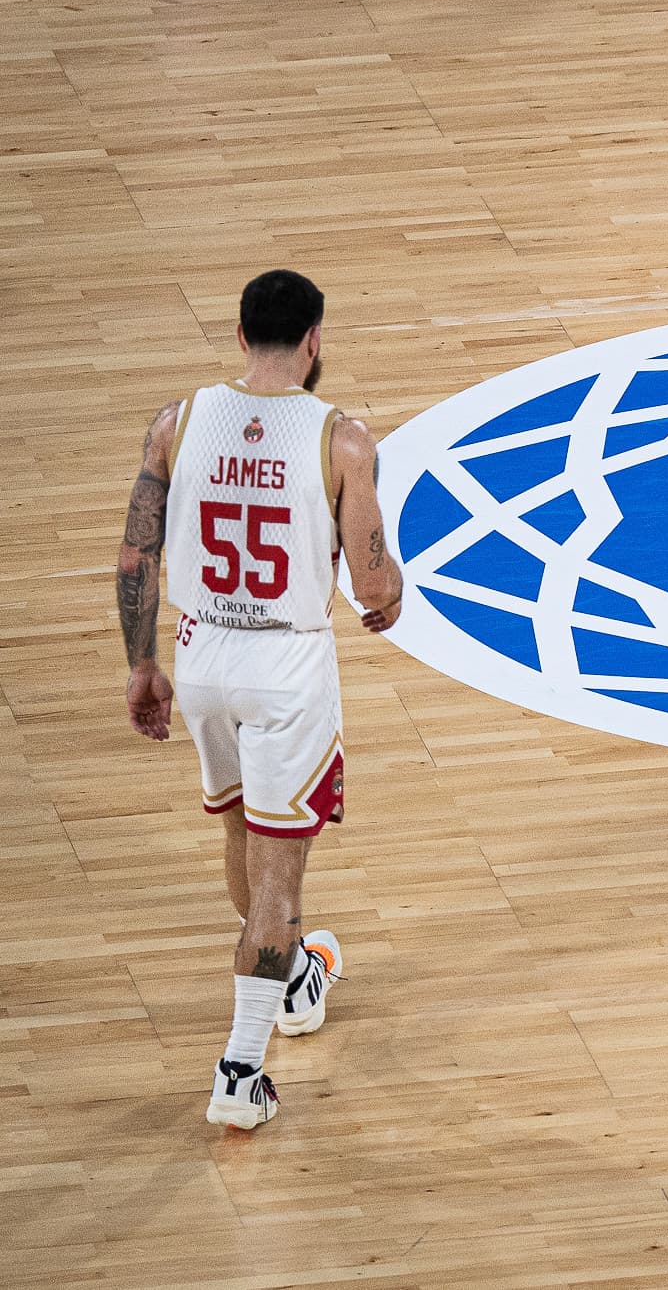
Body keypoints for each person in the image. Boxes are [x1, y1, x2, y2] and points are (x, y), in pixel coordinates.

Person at [116, 269, 404, 1129]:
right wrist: (391, 593)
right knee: (280, 877)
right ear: (315, 340)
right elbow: (372, 584)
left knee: (245, 833)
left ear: (241, 337)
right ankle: (240, 1071)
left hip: (202, 653)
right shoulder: (343, 441)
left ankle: (297, 977)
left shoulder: (177, 422)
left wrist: (142, 666)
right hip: (286, 668)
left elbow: (136, 556)